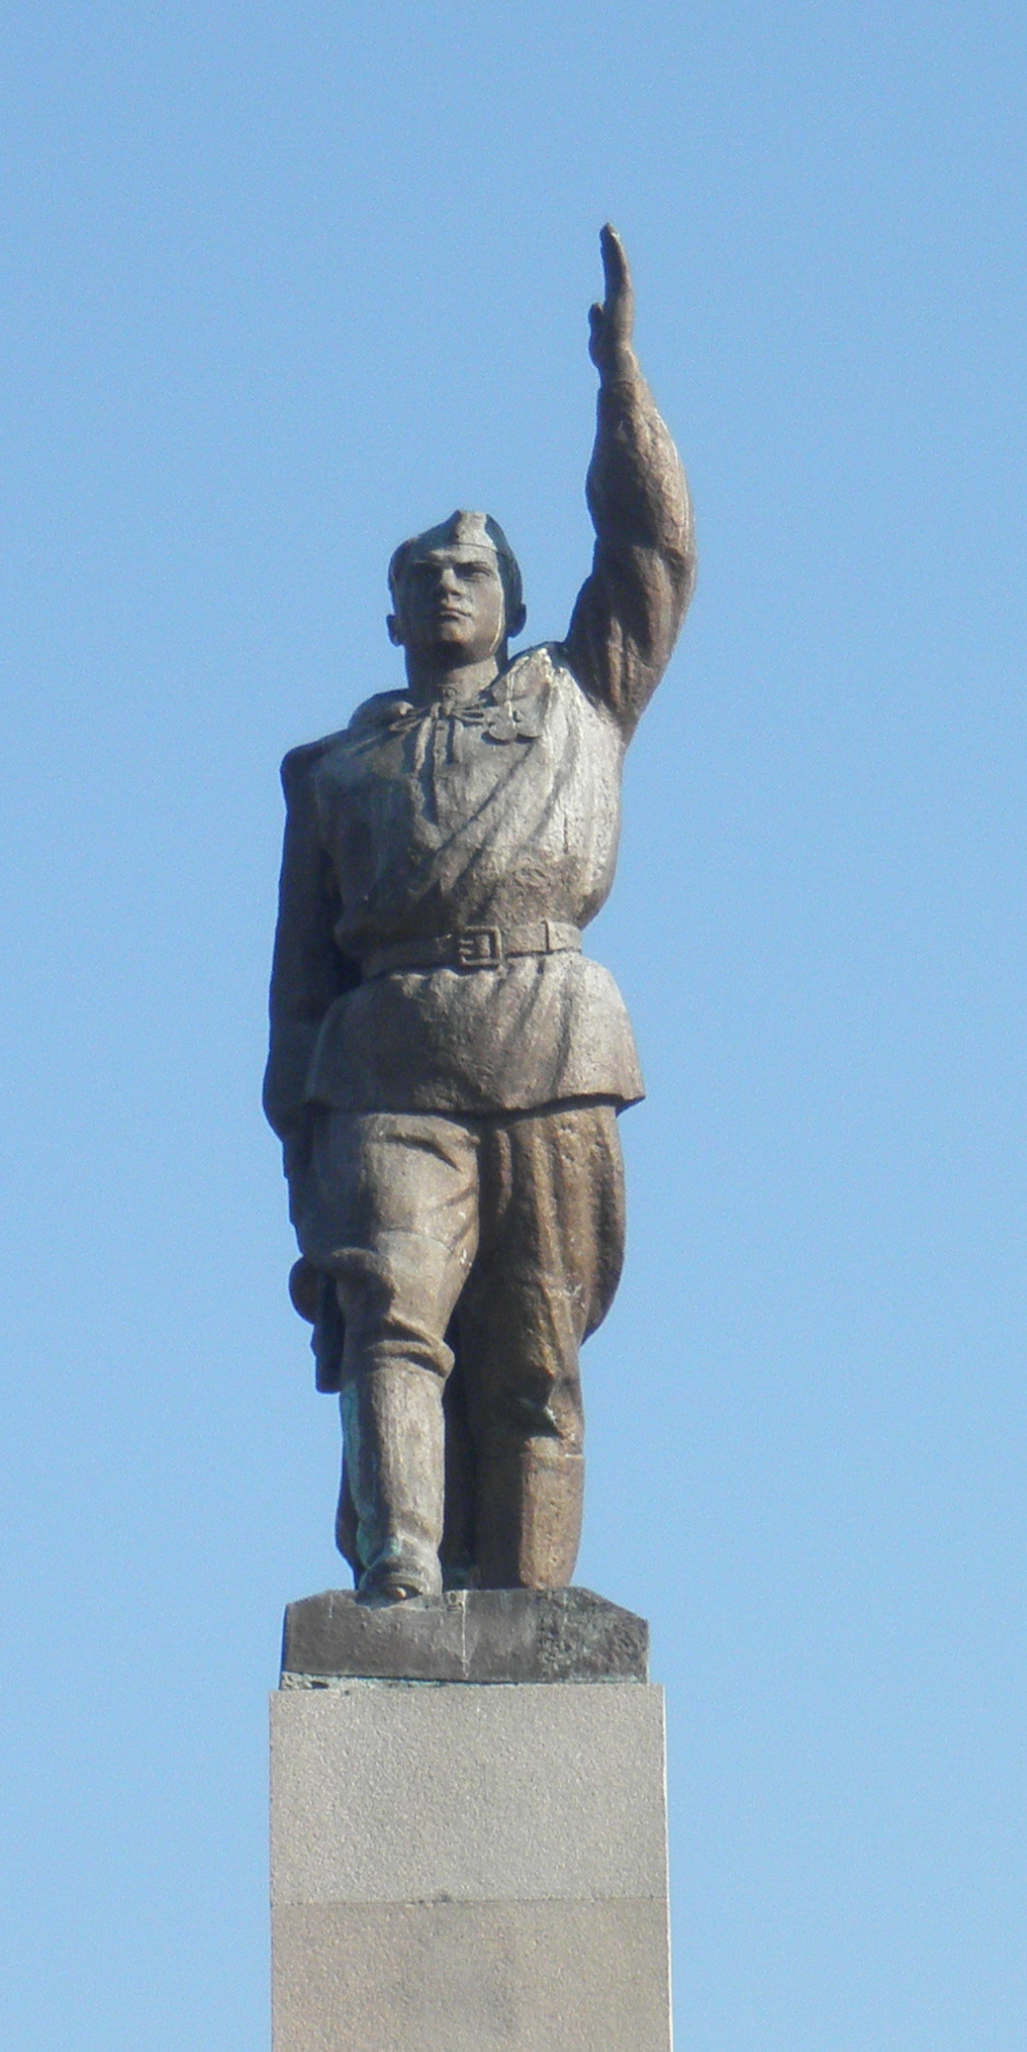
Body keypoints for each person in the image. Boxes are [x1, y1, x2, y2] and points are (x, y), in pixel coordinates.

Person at [264, 228, 696, 1602]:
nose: (447, 585)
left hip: (550, 1044)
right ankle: (400, 1573)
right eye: (422, 576)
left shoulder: (581, 698)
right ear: (390, 613)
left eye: (471, 571)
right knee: (393, 1304)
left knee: (534, 1354)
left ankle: (527, 1600)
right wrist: (299, 1133)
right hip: (387, 1061)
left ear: (512, 604)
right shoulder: (335, 775)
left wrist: (621, 387)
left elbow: (650, 550)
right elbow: (297, 987)